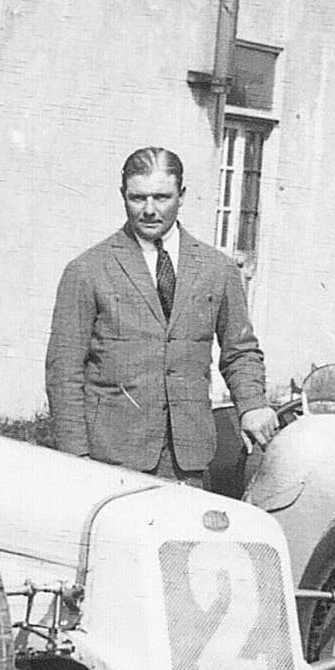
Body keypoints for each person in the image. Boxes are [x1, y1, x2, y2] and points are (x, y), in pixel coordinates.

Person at [44, 145, 277, 482]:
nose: (150, 210)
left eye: (161, 197)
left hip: (190, 462)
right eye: (138, 198)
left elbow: (240, 350)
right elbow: (64, 372)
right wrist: (75, 460)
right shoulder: (87, 270)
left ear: (181, 195)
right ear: (123, 196)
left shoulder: (217, 269)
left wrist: (252, 404)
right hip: (110, 461)